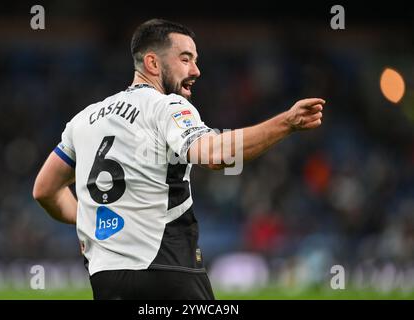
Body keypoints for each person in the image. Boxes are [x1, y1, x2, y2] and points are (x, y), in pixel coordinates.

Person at [32, 18, 325, 300]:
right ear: (153, 63)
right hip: (167, 267)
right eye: (185, 59)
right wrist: (286, 123)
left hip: (106, 277)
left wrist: (92, 220)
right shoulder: (167, 106)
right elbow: (215, 154)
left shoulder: (84, 121)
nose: (196, 70)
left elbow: (44, 190)